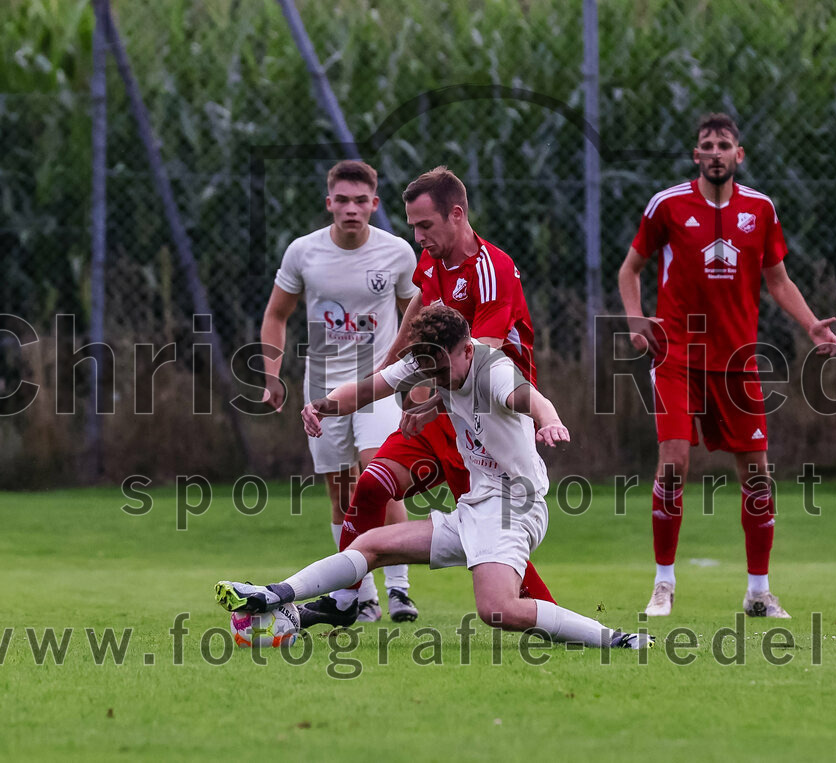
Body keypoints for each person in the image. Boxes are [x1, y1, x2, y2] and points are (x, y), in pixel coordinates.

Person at [217, 306, 649, 650]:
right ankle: (275, 594)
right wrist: (322, 406)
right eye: (429, 371)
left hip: (513, 509)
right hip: (476, 506)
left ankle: (615, 639)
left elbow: (532, 398)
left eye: (442, 370)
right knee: (370, 545)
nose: (436, 378)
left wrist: (550, 421)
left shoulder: (493, 369)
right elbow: (368, 389)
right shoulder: (429, 358)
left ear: (466, 349)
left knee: (497, 611)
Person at [289, 167, 556, 630]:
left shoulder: (490, 270)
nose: (417, 236)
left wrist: (430, 399)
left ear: (456, 215)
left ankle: (555, 618)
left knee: (488, 528)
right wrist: (389, 373)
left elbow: (482, 361)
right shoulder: (433, 262)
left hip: (489, 421)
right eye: (412, 226)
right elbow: (418, 313)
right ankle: (347, 600)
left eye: (424, 225)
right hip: (443, 406)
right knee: (371, 485)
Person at [617, 113, 836, 618]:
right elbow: (630, 268)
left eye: (724, 145)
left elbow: (779, 280)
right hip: (676, 356)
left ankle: (759, 592)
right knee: (673, 467)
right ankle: (663, 585)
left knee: (758, 475)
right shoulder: (668, 206)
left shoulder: (760, 210)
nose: (715, 152)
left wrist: (810, 326)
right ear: (696, 156)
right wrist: (635, 322)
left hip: (738, 364)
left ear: (739, 156)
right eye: (706, 145)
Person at [260, 160, 419, 623]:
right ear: (329, 203)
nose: (351, 209)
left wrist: (416, 377)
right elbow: (276, 314)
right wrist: (271, 372)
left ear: (375, 203)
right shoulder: (303, 253)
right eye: (342, 200)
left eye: (360, 200)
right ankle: (358, 595)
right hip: (322, 386)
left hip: (377, 383)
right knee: (341, 492)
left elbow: (418, 316)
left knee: (380, 476)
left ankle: (400, 591)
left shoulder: (397, 253)